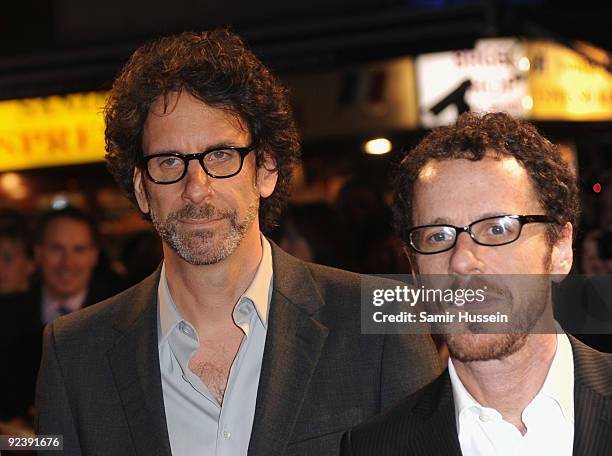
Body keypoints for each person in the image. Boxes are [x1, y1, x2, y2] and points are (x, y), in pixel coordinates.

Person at [36, 29, 441, 456]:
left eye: (221, 156)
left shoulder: (380, 326)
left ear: (266, 169)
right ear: (141, 188)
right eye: (169, 161)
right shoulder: (75, 354)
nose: (196, 187)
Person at [341, 112, 612, 455]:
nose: (462, 259)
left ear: (559, 249)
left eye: (497, 228)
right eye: (437, 236)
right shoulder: (375, 448)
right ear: (414, 269)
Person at [29, 206, 117, 324]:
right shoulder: (7, 316)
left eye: (79, 249)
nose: (67, 263)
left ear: (94, 255)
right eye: (57, 249)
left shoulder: (120, 314)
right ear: (38, 253)